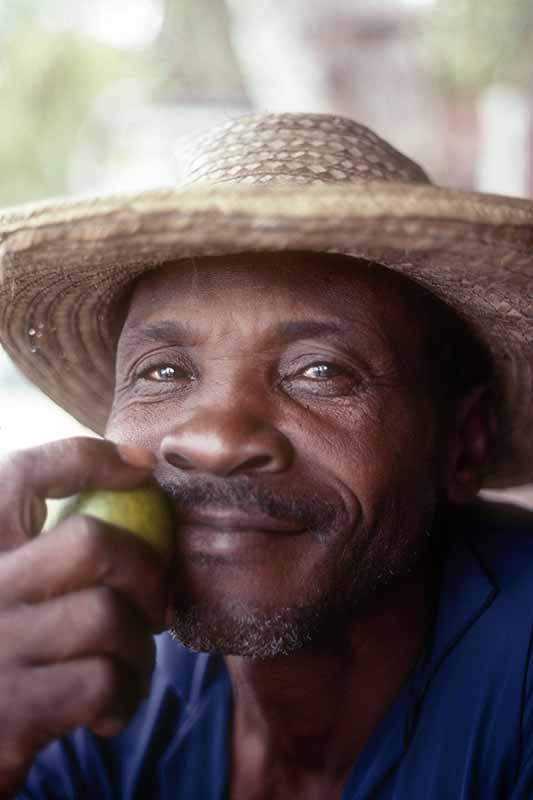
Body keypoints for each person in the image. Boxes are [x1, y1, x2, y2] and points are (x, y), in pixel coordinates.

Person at [0, 112, 532, 799]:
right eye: (163, 372)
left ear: (463, 444)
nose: (216, 443)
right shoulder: (77, 670)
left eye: (320, 371)